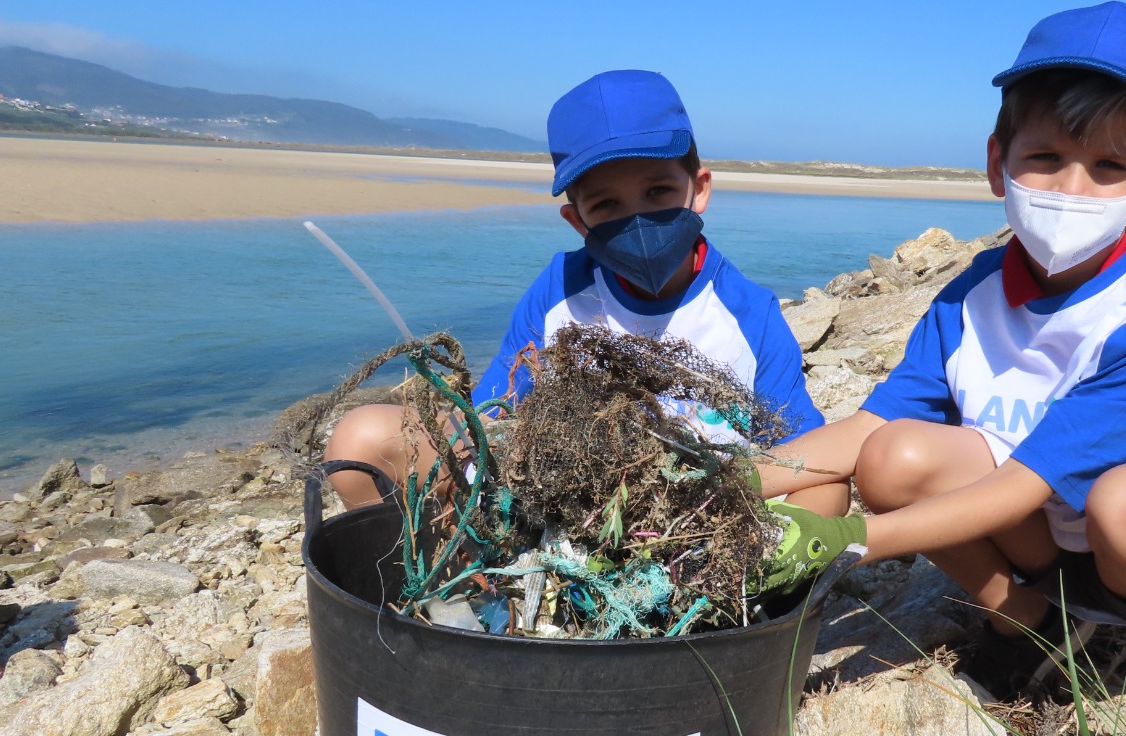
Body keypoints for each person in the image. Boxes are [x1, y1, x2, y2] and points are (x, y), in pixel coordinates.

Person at [752, 1, 1126, 736]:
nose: (1071, 190)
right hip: (1041, 534)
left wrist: (846, 543)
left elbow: (1027, 482)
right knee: (893, 457)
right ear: (998, 160)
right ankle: (1031, 622)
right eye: (1044, 160)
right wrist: (727, 485)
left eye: (1109, 168)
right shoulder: (970, 295)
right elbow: (870, 431)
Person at [324, 69, 831, 511]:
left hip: (701, 507)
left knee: (825, 485)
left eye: (658, 192)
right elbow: (490, 418)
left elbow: (809, 458)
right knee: (360, 439)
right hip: (562, 503)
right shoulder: (559, 291)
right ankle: (455, 586)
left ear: (698, 189)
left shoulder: (748, 314)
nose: (637, 220)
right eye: (607, 204)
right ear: (577, 220)